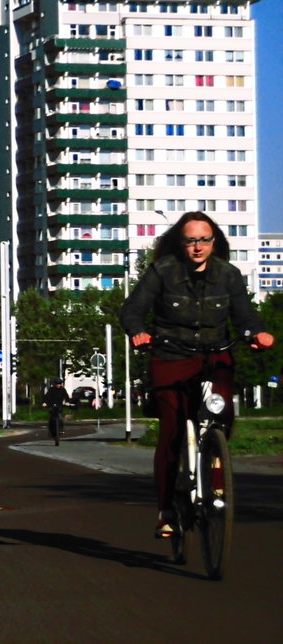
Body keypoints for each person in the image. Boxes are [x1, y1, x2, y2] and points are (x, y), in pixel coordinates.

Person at [120, 210, 274, 539]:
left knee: (223, 412)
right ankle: (166, 510)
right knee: (172, 432)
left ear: (213, 241)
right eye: (191, 240)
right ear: (181, 242)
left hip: (214, 355)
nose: (198, 246)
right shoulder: (162, 271)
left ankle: (215, 463)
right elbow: (133, 308)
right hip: (171, 355)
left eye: (204, 240)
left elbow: (244, 314)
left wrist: (256, 333)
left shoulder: (228, 275)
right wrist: (138, 331)